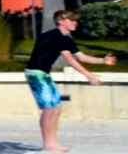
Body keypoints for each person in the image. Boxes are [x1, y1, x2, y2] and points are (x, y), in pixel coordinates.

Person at [30, 9, 112, 154]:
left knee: (56, 108)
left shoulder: (66, 38)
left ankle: (52, 143)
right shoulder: (54, 36)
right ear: (61, 21)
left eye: (76, 20)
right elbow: (71, 61)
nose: (76, 23)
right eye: (72, 20)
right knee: (49, 109)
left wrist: (103, 60)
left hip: (44, 74)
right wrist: (89, 76)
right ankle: (48, 144)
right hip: (36, 74)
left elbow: (81, 57)